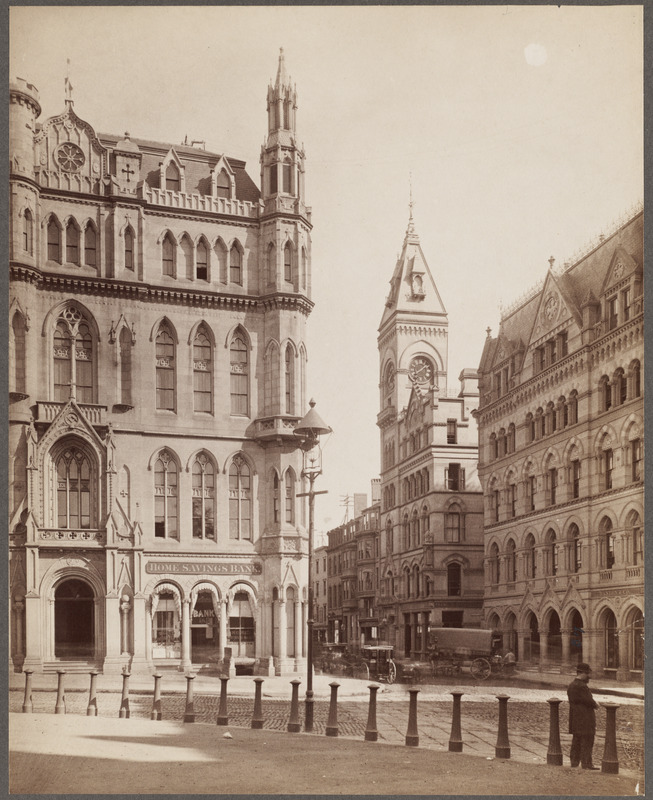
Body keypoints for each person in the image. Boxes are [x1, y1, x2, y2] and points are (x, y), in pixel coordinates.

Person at [567, 662, 600, 769]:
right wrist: (595, 704)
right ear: (582, 673)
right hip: (585, 718)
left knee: (576, 740)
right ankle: (587, 764)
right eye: (587, 674)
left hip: (575, 718)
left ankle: (574, 762)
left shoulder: (571, 685)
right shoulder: (582, 686)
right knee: (587, 740)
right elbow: (589, 701)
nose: (589, 676)